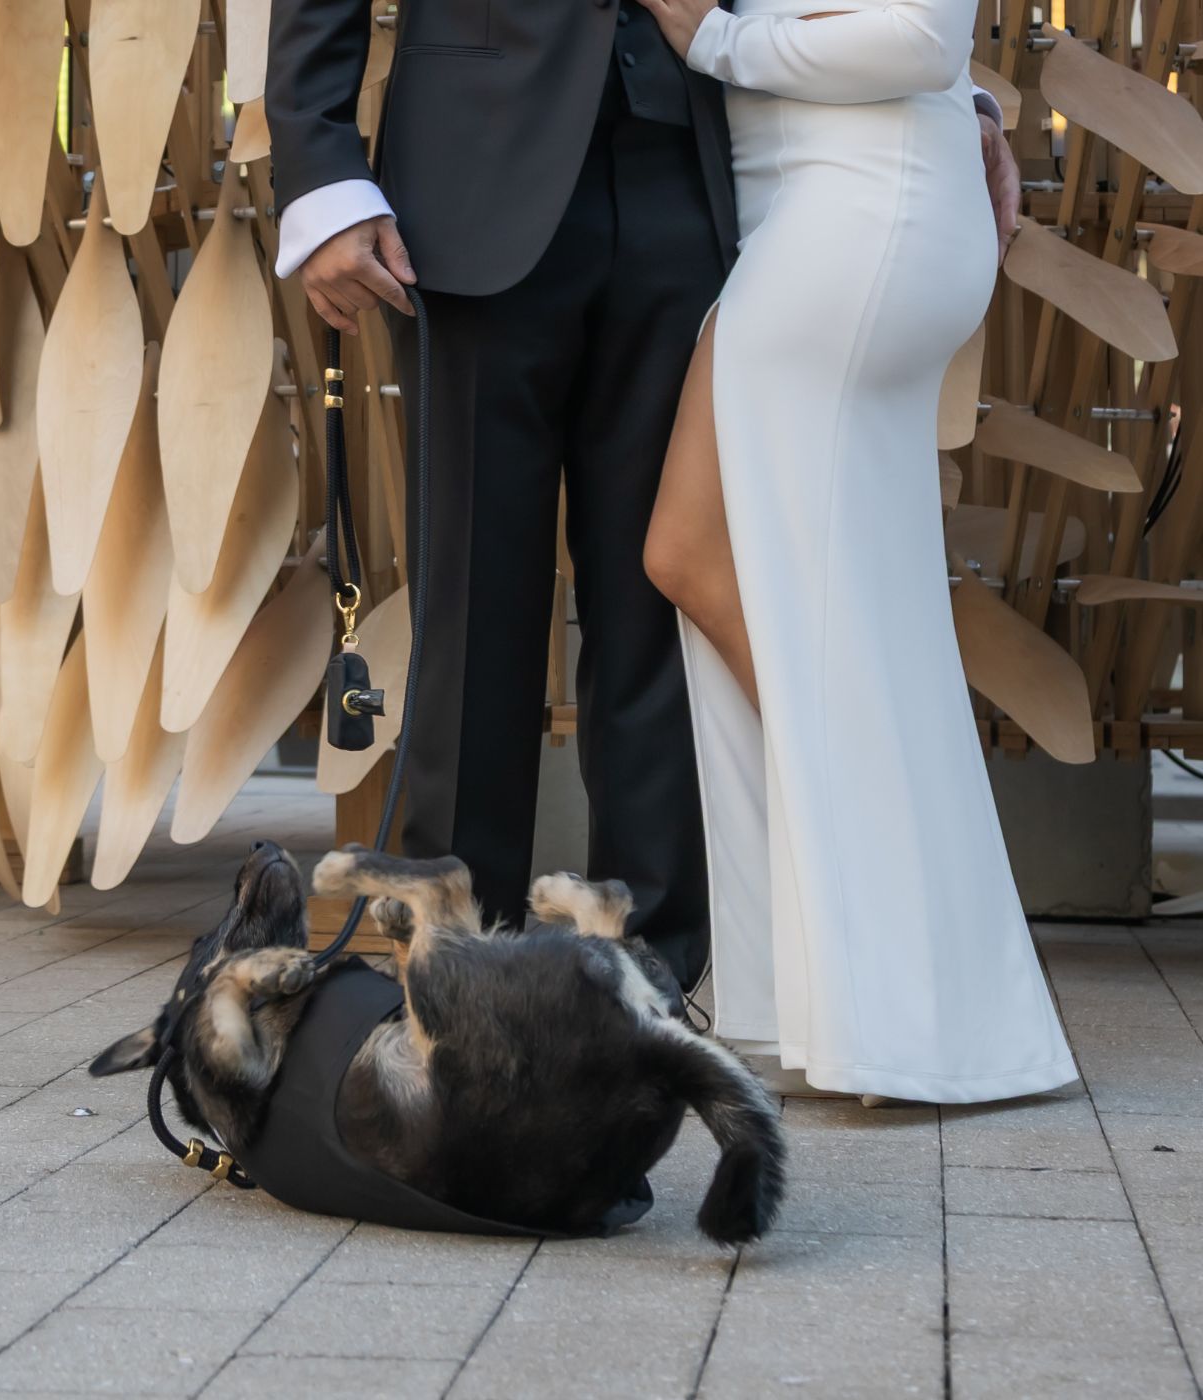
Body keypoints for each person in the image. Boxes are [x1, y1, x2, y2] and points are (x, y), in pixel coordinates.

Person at [263, 0, 1020, 995]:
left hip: (698, 179)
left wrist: (938, 91)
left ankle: (645, 989)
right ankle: (451, 981)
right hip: (469, 176)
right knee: (473, 602)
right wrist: (320, 169)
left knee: (662, 606)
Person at [639, 0, 1078, 1102]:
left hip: (857, 211)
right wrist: (966, 97)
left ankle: (891, 978)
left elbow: (912, 37)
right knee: (704, 564)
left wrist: (715, 41)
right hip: (814, 204)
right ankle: (857, 978)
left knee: (741, 578)